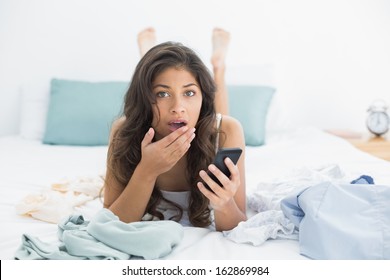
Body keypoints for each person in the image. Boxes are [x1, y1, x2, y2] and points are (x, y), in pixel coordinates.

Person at [103, 28, 246, 231]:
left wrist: (224, 203)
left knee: (218, 123)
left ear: (203, 97)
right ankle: (148, 57)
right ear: (145, 98)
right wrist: (146, 171)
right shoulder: (123, 130)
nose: (178, 107)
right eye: (162, 94)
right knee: (152, 73)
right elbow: (111, 224)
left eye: (189, 92)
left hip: (212, 124)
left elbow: (238, 224)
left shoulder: (229, 130)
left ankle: (219, 69)